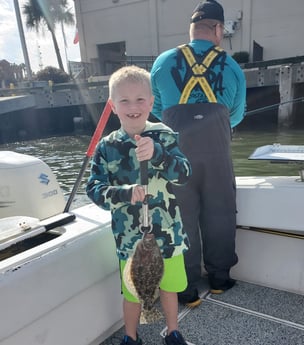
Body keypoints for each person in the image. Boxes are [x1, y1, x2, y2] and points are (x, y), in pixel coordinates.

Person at [86, 65, 192, 345]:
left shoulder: (165, 136)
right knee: (132, 291)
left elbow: (184, 175)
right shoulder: (106, 147)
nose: (133, 107)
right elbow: (94, 190)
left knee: (169, 288)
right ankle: (131, 337)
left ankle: (173, 331)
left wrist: (158, 155)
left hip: (168, 236)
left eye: (140, 99)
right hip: (130, 239)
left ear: (152, 102)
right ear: (112, 106)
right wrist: (123, 193)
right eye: (124, 100)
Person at [150, 0, 246, 307]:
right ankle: (218, 279)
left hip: (175, 152)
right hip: (217, 152)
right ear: (218, 29)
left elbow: (157, 111)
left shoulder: (163, 62)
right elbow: (236, 115)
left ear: (192, 29)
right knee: (219, 212)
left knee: (181, 216)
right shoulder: (231, 67)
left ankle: (186, 288)